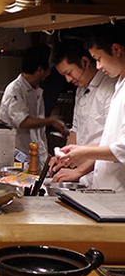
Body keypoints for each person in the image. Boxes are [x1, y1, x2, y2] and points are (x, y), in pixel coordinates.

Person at [56, 23, 125, 191]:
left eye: (98, 59)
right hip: (104, 186)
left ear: (116, 50)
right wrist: (77, 150)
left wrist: (84, 153)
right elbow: (111, 141)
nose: (99, 66)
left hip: (117, 188)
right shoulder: (119, 85)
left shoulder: (111, 87)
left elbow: (122, 148)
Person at [49, 38, 116, 183]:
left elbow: (113, 143)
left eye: (69, 72)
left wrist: (79, 171)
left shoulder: (110, 88)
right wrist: (63, 157)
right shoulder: (81, 88)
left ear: (85, 62)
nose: (67, 80)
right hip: (81, 176)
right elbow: (76, 129)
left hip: (103, 175)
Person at [0, 44, 68, 168]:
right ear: (40, 70)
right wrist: (51, 121)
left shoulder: (36, 89)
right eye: (49, 69)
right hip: (18, 156)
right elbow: (23, 121)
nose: (50, 72)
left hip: (36, 155)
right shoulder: (15, 90)